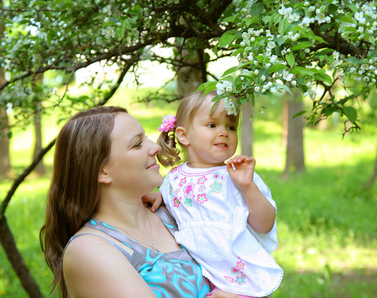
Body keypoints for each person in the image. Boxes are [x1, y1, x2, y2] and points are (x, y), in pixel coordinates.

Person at [40, 106, 236, 298]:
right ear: (102, 172)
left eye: (147, 138)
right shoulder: (89, 250)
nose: (156, 147)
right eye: (137, 144)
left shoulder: (173, 213)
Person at [155, 91, 284, 298]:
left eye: (231, 127)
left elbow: (265, 224)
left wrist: (248, 187)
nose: (224, 132)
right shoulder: (173, 178)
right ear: (183, 135)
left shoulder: (237, 175)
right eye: (212, 125)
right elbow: (168, 201)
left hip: (239, 273)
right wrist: (158, 198)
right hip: (198, 273)